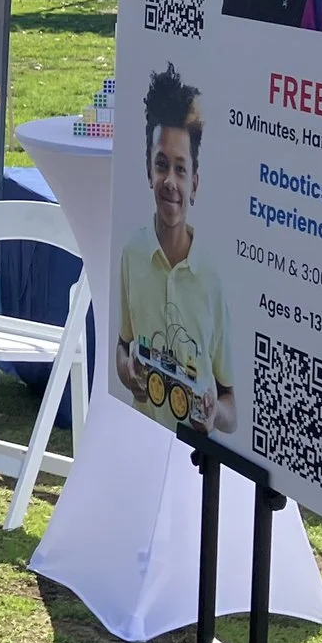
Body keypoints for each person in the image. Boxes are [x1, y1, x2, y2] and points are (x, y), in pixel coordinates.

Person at [113, 63, 238, 434]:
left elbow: (232, 406)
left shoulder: (211, 276)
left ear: (195, 184)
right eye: (161, 165)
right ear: (148, 171)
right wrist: (126, 371)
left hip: (194, 463)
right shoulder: (132, 254)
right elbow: (123, 345)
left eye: (180, 169)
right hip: (142, 441)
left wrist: (215, 415)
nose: (170, 181)